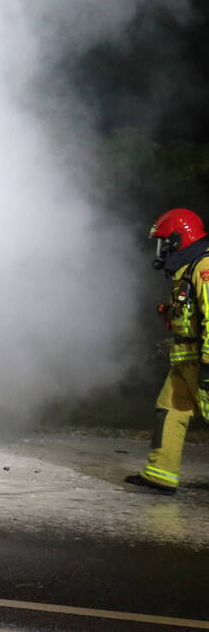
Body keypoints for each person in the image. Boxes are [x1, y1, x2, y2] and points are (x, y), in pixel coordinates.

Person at [126, 208, 209, 494]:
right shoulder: (188, 269)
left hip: (203, 361)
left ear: (178, 239)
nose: (161, 250)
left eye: (164, 242)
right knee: (170, 409)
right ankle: (161, 473)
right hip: (187, 362)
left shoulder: (204, 267)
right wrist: (172, 313)